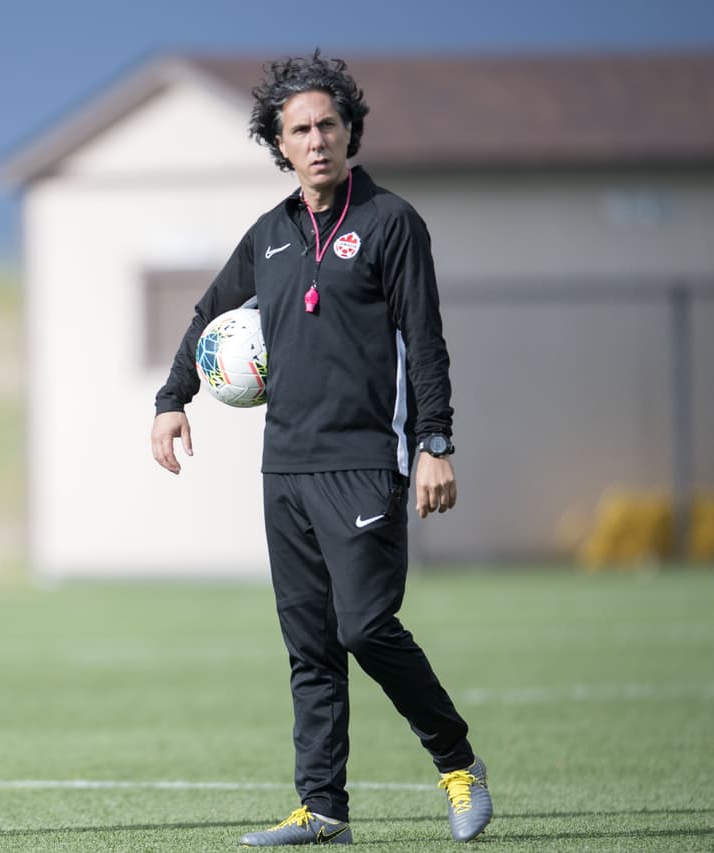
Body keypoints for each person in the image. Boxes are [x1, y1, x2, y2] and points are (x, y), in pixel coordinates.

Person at [150, 52, 492, 846]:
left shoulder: (391, 222)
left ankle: (458, 760)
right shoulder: (268, 235)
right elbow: (210, 313)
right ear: (278, 142)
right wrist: (172, 399)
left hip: (367, 461)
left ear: (350, 133)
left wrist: (435, 442)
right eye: (299, 129)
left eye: (328, 125)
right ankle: (322, 808)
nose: (316, 140)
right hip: (286, 469)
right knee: (309, 646)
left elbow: (424, 340)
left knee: (366, 627)